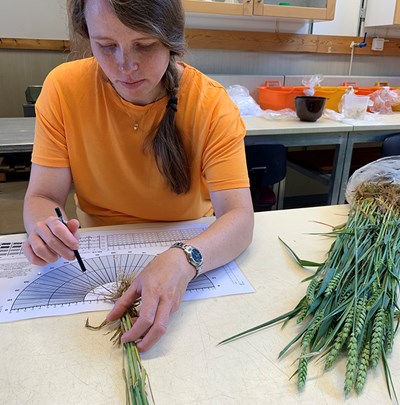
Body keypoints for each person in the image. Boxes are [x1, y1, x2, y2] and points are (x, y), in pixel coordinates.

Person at [23, 0, 254, 352]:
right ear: (89, 38)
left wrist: (184, 259)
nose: (125, 65)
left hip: (196, 248)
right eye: (106, 46)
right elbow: (43, 197)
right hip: (97, 253)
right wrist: (44, 229)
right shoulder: (63, 88)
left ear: (171, 40)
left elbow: (239, 218)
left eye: (144, 45)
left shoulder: (211, 104)